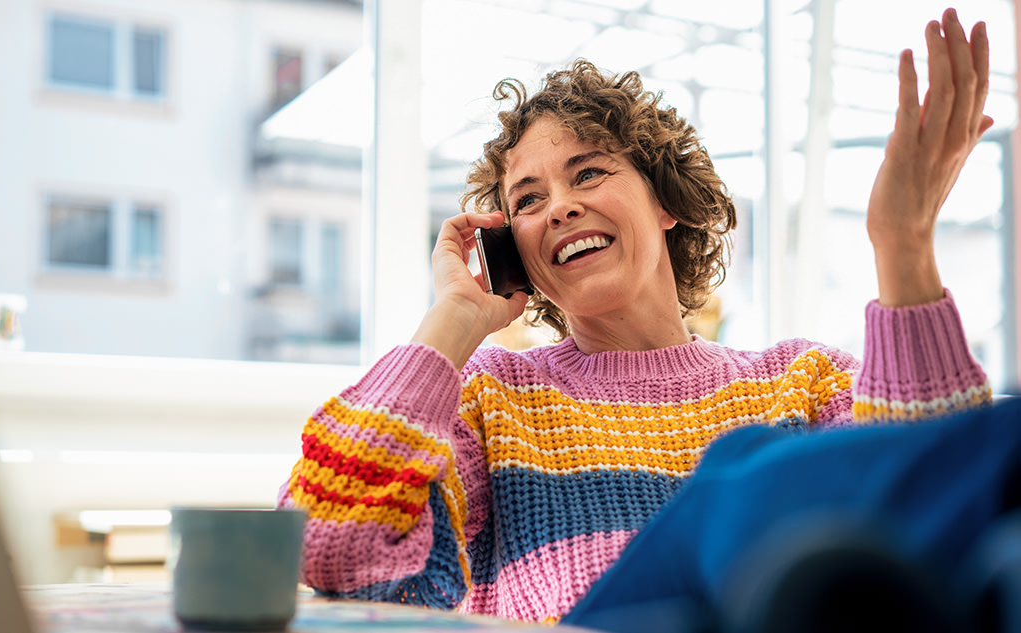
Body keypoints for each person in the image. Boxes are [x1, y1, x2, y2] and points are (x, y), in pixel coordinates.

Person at [277, 8, 996, 624]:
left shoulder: (800, 381)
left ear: (666, 202)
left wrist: (903, 244)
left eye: (588, 172)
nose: (558, 205)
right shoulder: (494, 399)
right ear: (513, 251)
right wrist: (456, 319)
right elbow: (329, 542)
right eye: (527, 200)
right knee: (745, 472)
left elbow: (941, 518)